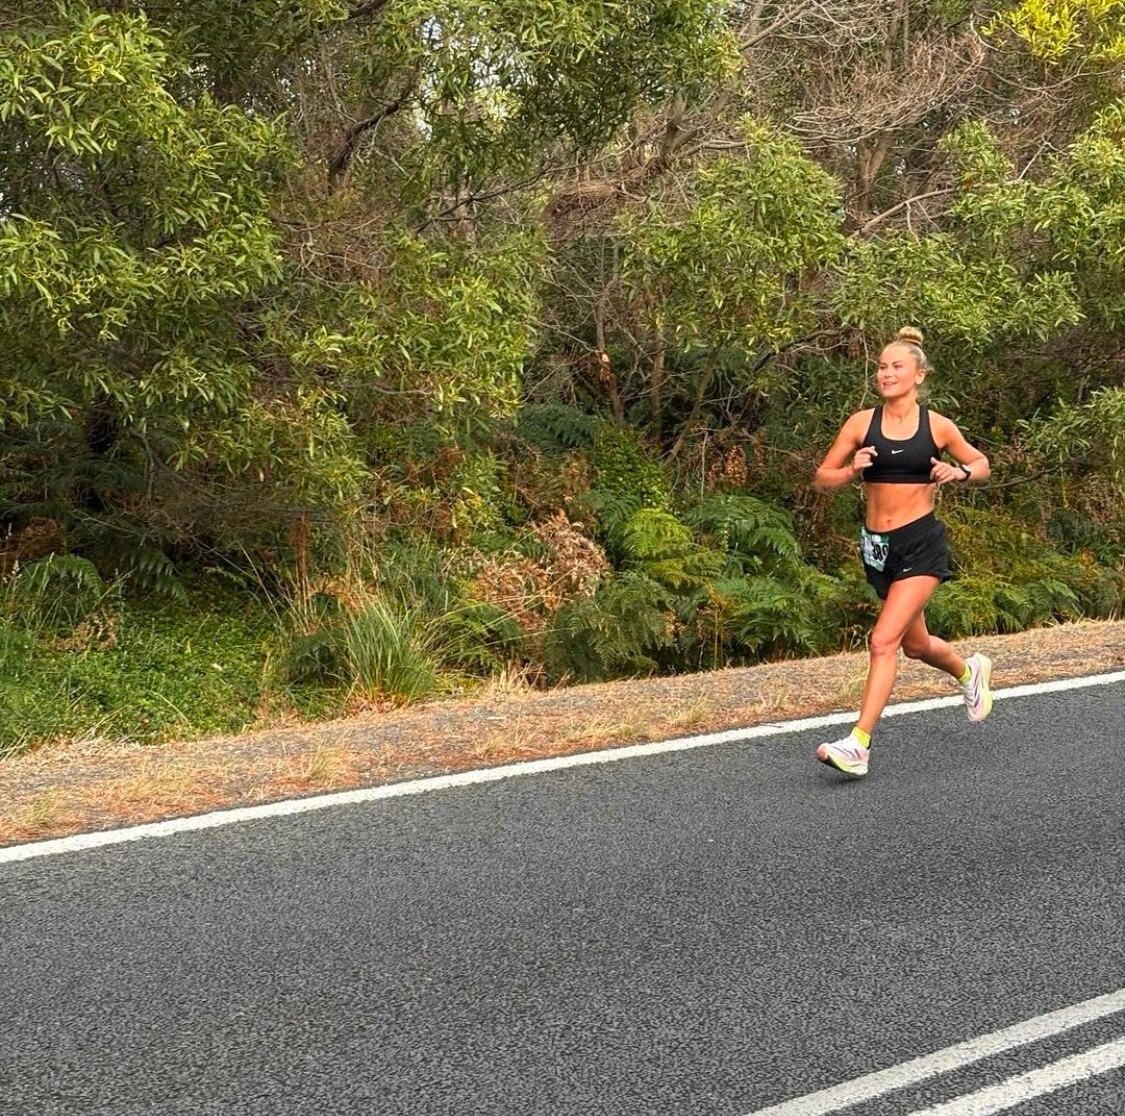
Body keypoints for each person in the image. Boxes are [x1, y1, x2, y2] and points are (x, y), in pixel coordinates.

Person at [811, 326, 993, 777]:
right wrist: (851, 470)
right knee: (915, 646)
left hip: (920, 542)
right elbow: (821, 478)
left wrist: (959, 474)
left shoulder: (937, 426)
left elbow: (981, 463)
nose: (886, 374)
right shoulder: (860, 423)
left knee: (882, 642)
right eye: (881, 367)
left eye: (896, 367)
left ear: (918, 374)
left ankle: (858, 745)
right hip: (877, 548)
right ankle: (969, 671)